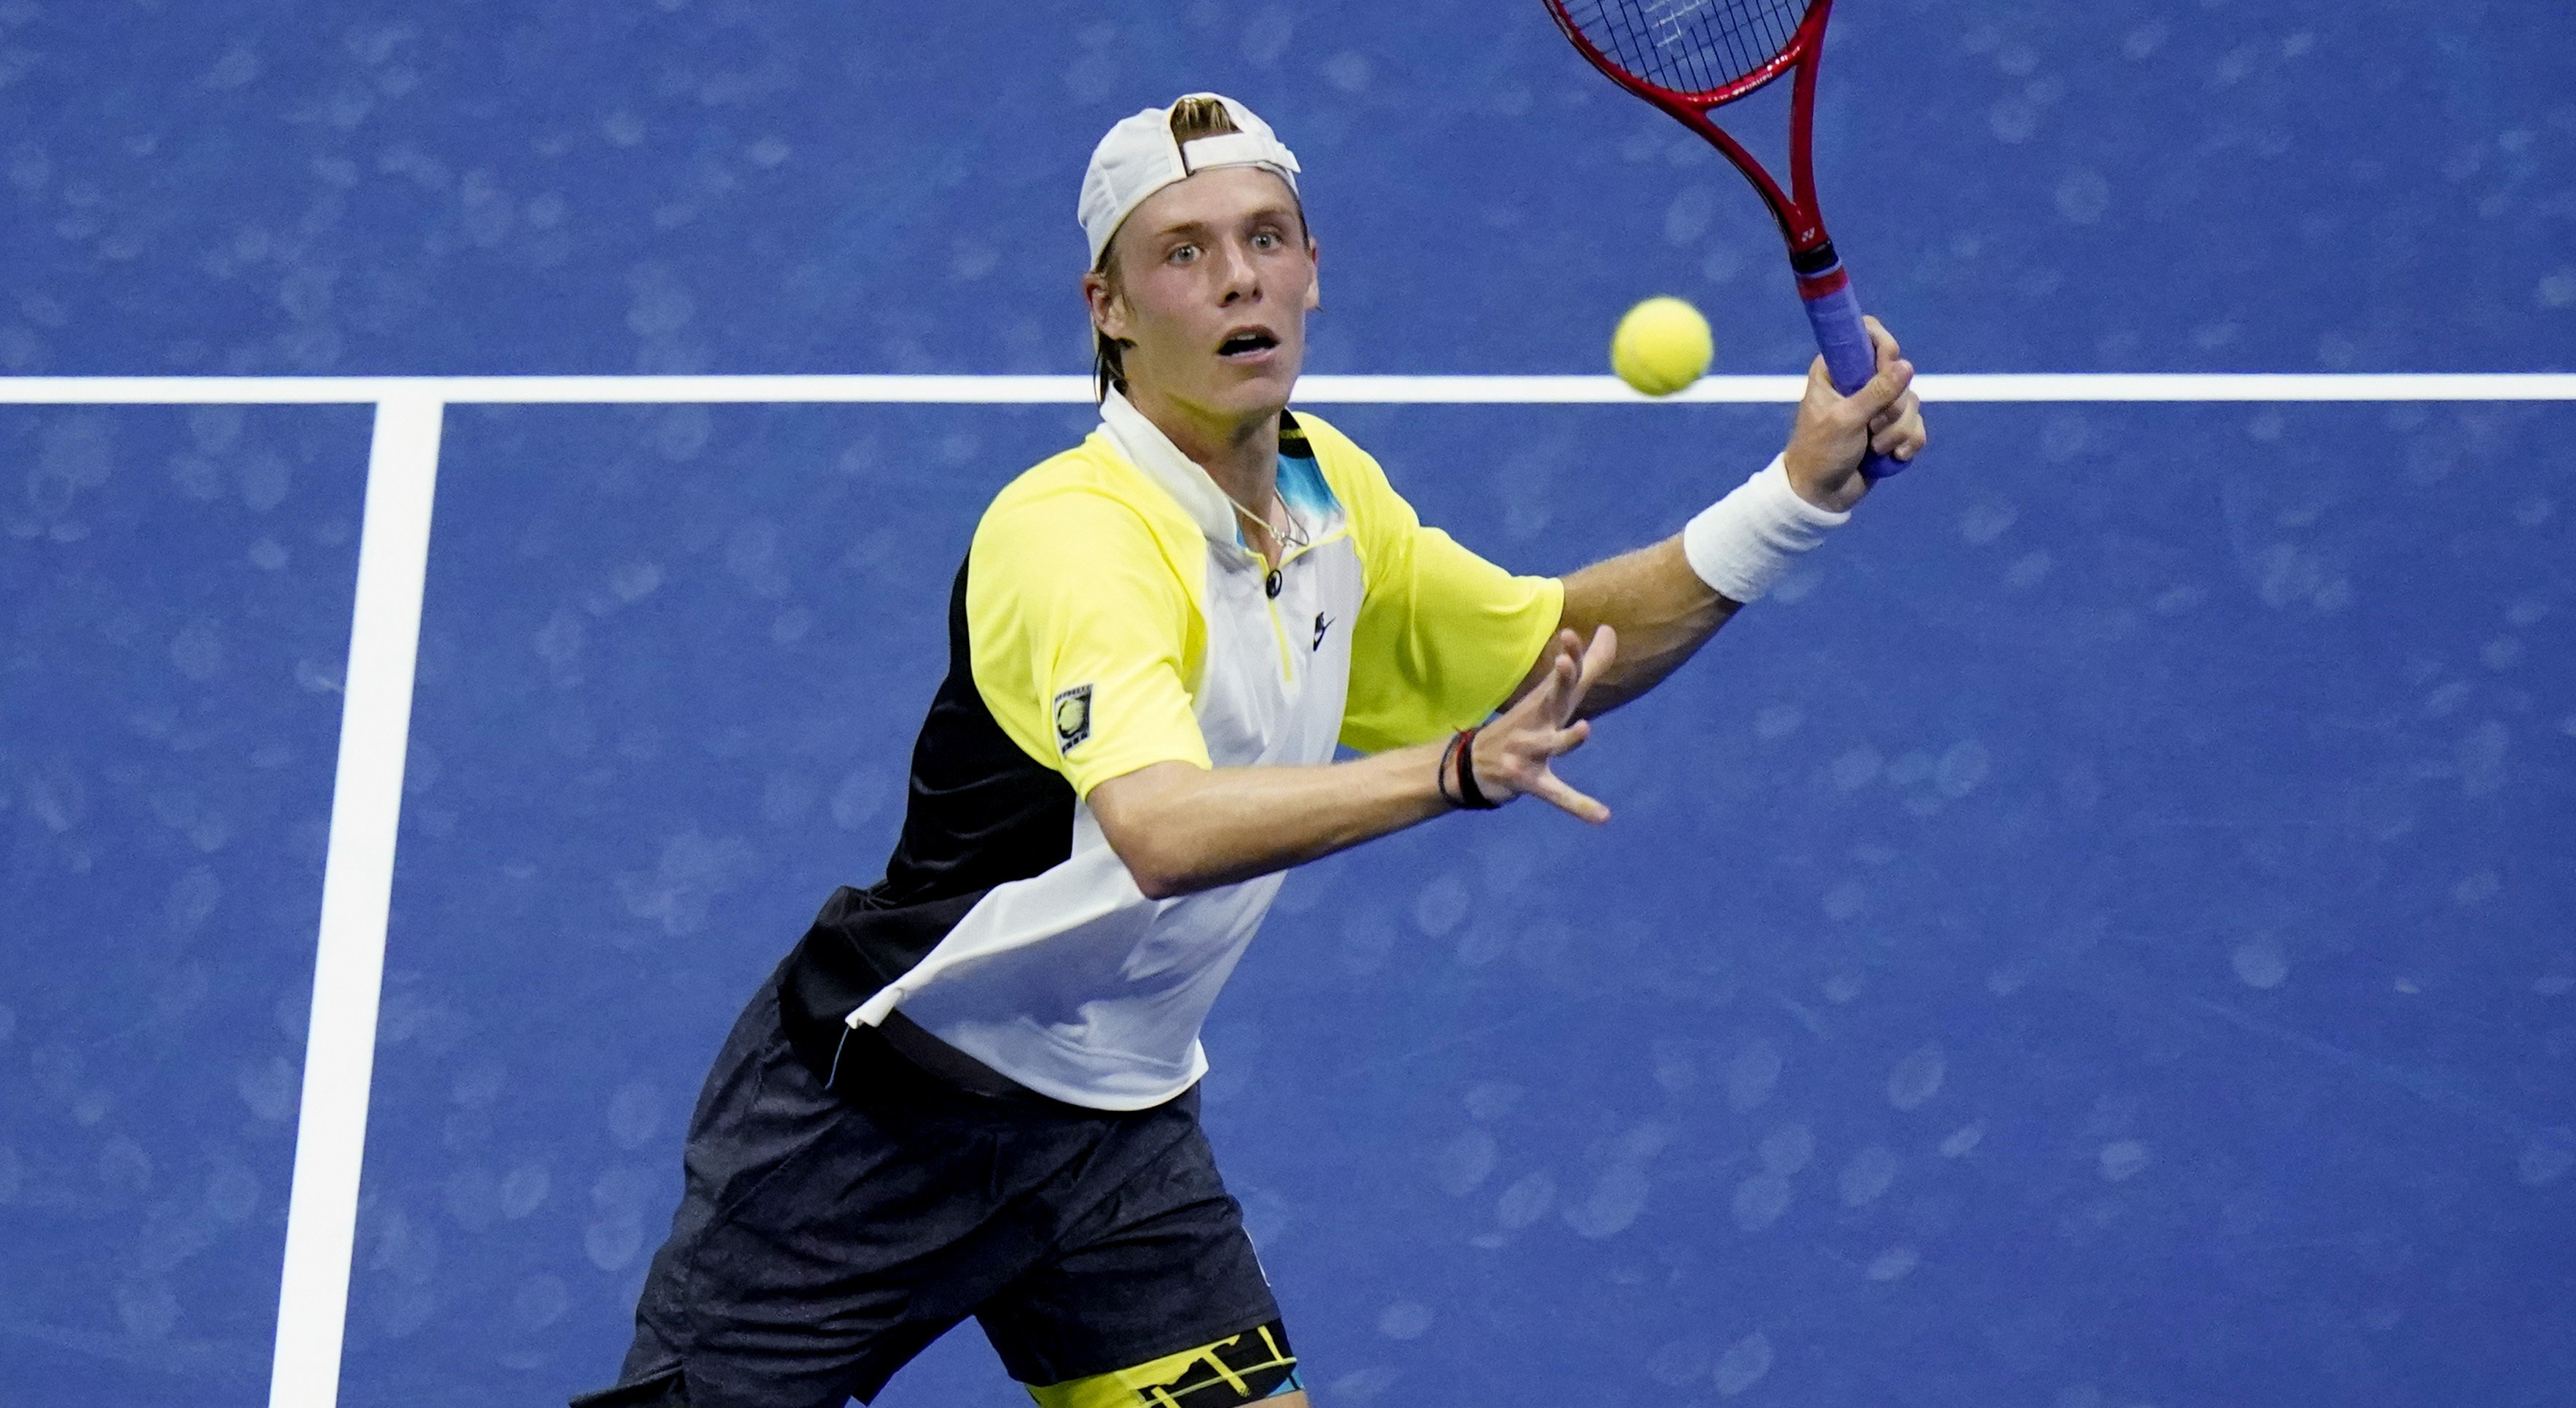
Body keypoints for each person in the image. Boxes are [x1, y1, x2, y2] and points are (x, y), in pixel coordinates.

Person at [574, 93, 1925, 1408]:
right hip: (867, 1134)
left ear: (1314, 272)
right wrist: (1449, 771)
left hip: (1115, 1144)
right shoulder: (1072, 535)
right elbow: (1160, 830)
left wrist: (1795, 495)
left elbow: (1554, 654)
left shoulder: (1328, 493)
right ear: (1107, 308)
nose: (1239, 282)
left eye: (1266, 238)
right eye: (1185, 252)